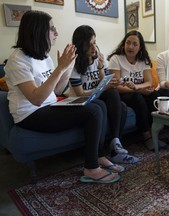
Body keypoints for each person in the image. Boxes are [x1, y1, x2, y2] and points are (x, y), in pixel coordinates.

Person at [4, 10, 123, 184]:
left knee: (100, 105)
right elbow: (36, 99)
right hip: (30, 114)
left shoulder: (43, 56)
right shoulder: (17, 60)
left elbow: (58, 90)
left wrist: (68, 66)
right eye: (52, 29)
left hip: (50, 105)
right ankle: (91, 168)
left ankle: (98, 156)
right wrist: (60, 68)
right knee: (92, 112)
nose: (56, 33)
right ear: (37, 31)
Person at [70, 25, 139, 164]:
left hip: (97, 96)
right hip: (81, 100)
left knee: (118, 99)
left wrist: (101, 68)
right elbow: (81, 95)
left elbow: (105, 82)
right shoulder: (74, 65)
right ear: (80, 45)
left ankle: (115, 144)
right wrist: (103, 88)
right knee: (118, 101)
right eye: (89, 44)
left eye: (94, 42)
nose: (93, 48)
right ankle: (114, 149)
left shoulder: (98, 59)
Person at [107, 30, 167, 150]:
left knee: (154, 95)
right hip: (123, 93)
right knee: (138, 98)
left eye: (135, 44)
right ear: (123, 44)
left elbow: (149, 82)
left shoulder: (143, 60)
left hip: (137, 90)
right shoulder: (116, 59)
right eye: (128, 43)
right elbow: (116, 85)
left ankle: (154, 131)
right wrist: (137, 90)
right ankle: (146, 136)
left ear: (140, 47)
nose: (130, 46)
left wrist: (137, 87)